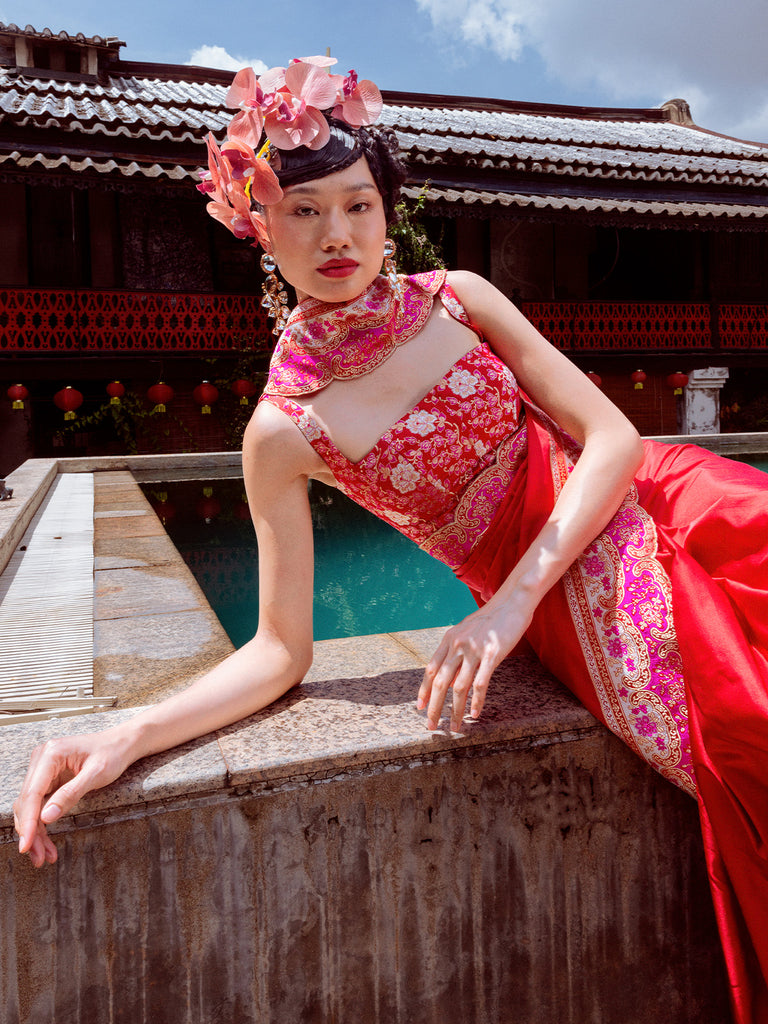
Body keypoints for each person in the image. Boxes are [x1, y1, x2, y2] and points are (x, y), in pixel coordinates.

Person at [13, 55, 768, 1023]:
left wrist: (508, 606)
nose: (339, 234)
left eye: (360, 206)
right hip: (575, 599)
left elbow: (615, 436)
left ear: (388, 210)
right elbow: (282, 651)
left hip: (635, 506)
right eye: (306, 210)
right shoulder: (282, 430)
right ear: (258, 224)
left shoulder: (460, 295)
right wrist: (125, 734)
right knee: (743, 724)